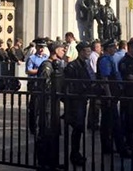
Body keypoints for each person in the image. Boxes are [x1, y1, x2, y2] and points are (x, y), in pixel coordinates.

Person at [97, 39, 133, 158]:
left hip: (112, 94)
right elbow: (105, 78)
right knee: (115, 122)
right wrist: (109, 95)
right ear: (108, 48)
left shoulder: (109, 59)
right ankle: (121, 148)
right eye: (113, 47)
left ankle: (107, 147)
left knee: (107, 121)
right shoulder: (105, 60)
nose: (115, 49)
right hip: (109, 95)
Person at [35, 40, 65, 169]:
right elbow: (45, 85)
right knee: (46, 131)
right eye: (62, 49)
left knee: (54, 132)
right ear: (56, 50)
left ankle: (53, 160)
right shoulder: (47, 65)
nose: (64, 51)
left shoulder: (57, 64)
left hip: (55, 104)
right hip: (47, 104)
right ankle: (44, 161)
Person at [64, 41, 92, 167]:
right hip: (76, 101)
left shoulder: (84, 65)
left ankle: (76, 153)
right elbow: (69, 85)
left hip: (83, 100)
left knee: (80, 129)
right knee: (77, 128)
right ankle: (74, 154)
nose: (89, 53)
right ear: (81, 52)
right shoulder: (72, 66)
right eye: (87, 51)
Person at [27, 39, 49, 134]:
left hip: (44, 85)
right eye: (40, 47)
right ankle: (32, 126)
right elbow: (28, 70)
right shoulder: (32, 58)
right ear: (36, 47)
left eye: (42, 47)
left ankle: (43, 126)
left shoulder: (46, 57)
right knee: (34, 107)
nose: (41, 49)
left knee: (44, 107)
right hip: (34, 84)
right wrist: (40, 70)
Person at [86, 40, 101, 131]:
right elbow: (94, 70)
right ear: (95, 48)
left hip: (93, 82)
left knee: (94, 104)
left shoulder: (94, 56)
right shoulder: (94, 57)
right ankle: (93, 123)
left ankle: (92, 122)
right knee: (95, 104)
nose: (100, 49)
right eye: (99, 47)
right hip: (94, 83)